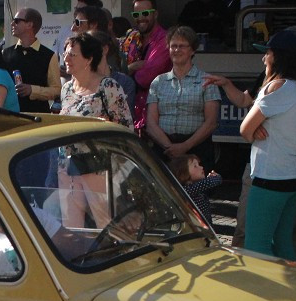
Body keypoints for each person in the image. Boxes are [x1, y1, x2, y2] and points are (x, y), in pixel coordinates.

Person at [240, 30, 296, 260]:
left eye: (268, 53)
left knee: (256, 246)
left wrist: (256, 129)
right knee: (283, 243)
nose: (264, 59)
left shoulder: (278, 86)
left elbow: (245, 129)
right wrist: (260, 128)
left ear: (278, 57)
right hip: (295, 174)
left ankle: (263, 294)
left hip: (273, 175)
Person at [58, 33, 133, 229]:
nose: (66, 59)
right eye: (65, 54)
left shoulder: (108, 86)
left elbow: (125, 130)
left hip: (99, 165)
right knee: (71, 225)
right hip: (68, 166)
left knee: (105, 225)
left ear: (89, 59)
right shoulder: (66, 89)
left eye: (72, 55)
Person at [146, 25, 220, 171]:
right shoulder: (158, 82)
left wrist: (184, 147)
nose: (177, 50)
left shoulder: (207, 81)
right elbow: (150, 123)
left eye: (182, 46)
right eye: (173, 46)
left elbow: (211, 122)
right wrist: (170, 148)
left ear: (192, 50)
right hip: (164, 150)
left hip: (196, 150)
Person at [3, 8, 60, 113]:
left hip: (38, 117)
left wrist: (33, 90)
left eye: (16, 21)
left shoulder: (49, 55)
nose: (12, 23)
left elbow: (56, 90)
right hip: (11, 116)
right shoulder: (5, 53)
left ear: (29, 24)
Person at [127, 0, 171, 132]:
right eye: (136, 15)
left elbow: (146, 78)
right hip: (136, 114)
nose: (140, 18)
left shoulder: (164, 39)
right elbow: (120, 70)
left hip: (156, 115)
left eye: (145, 13)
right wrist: (133, 67)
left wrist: (129, 70)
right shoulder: (133, 38)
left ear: (155, 14)